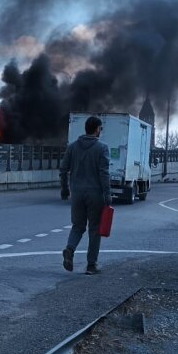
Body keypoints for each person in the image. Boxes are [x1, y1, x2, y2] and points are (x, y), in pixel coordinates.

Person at [60, 115, 111, 275]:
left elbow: (63, 170)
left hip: (77, 193)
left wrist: (65, 189)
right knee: (94, 229)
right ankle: (91, 265)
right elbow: (104, 173)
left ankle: (70, 249)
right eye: (100, 128)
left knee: (78, 226)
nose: (100, 131)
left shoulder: (72, 147)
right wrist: (107, 194)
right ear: (97, 129)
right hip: (95, 194)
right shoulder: (102, 148)